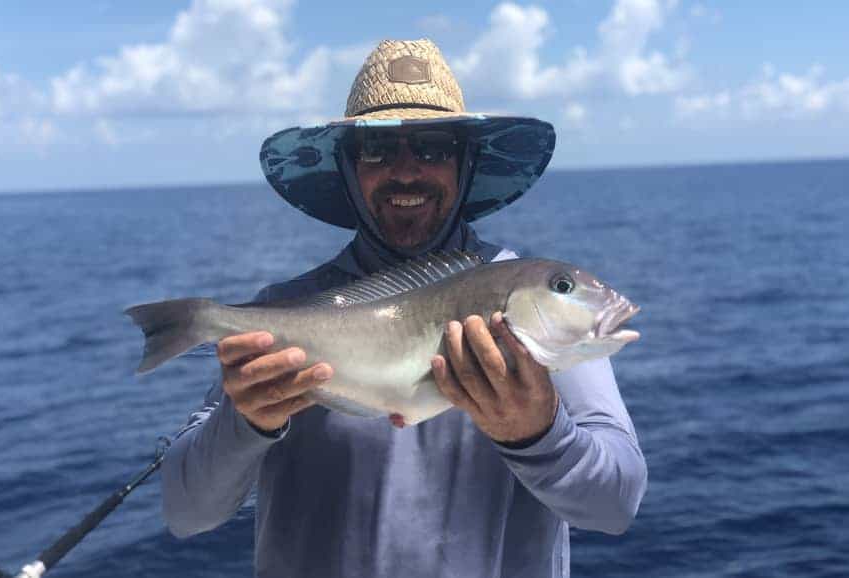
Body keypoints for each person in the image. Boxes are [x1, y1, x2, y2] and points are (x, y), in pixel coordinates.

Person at [161, 39, 647, 578]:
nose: (407, 171)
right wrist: (245, 421)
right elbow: (187, 513)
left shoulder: (528, 298)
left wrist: (537, 431)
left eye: (435, 147)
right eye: (376, 150)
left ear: (466, 164)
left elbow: (616, 504)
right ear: (347, 169)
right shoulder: (284, 313)